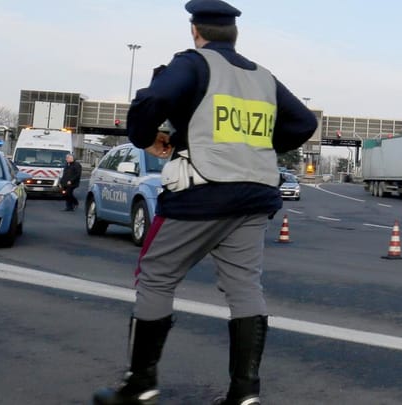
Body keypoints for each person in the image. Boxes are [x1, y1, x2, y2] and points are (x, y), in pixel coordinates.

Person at [92, 1, 318, 404]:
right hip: (255, 195)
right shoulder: (263, 77)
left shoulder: (193, 63)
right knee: (245, 286)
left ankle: (141, 384)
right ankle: (245, 394)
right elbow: (304, 122)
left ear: (195, 32)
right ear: (235, 34)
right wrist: (257, 149)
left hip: (203, 192)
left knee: (157, 274)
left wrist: (146, 137)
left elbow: (150, 101)